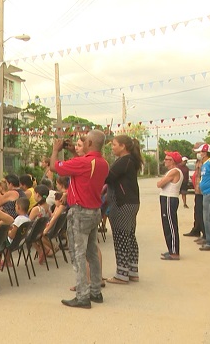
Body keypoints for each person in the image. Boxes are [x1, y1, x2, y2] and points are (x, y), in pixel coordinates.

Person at [50, 130, 109, 309]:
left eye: (82, 142)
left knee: (78, 254)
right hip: (94, 211)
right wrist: (73, 152)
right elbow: (82, 166)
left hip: (80, 212)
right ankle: (95, 291)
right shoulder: (103, 163)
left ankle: (82, 295)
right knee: (91, 252)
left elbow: (54, 167)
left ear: (89, 143)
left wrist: (55, 150)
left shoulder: (83, 162)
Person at [105, 135, 143, 284]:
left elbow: (108, 177)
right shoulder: (130, 161)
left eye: (114, 145)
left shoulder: (124, 161)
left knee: (121, 237)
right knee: (129, 236)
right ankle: (132, 270)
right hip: (131, 203)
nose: (112, 147)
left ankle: (121, 274)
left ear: (123, 146)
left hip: (122, 203)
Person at [157, 151, 184, 260]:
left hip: (169, 198)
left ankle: (174, 252)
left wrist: (161, 181)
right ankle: (171, 249)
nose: (165, 161)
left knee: (170, 225)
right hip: (166, 197)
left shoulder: (174, 171)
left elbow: (160, 184)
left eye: (167, 159)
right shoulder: (171, 171)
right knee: (167, 225)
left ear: (172, 161)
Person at [184, 143, 205, 238]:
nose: (196, 153)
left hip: (203, 191)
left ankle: (205, 234)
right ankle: (196, 229)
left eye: (197, 150)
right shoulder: (198, 161)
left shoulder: (206, 162)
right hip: (197, 190)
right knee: (197, 211)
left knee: (202, 213)